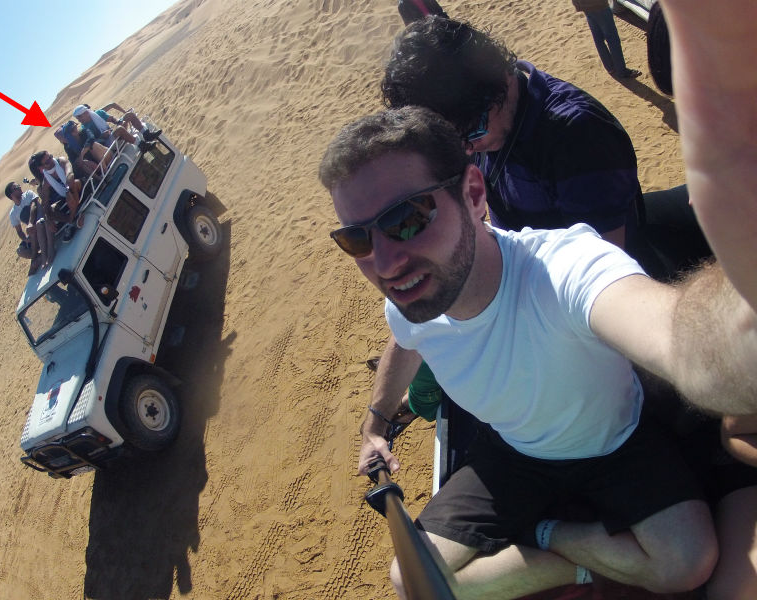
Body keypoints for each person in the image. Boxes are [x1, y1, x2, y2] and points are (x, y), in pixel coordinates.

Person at [319, 7, 757, 588]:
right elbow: (404, 337)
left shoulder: (566, 262)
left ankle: (549, 542)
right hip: (517, 456)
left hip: (615, 438)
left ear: (472, 188)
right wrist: (376, 421)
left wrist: (737, 331)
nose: (385, 262)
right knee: (412, 581)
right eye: (356, 238)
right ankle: (574, 553)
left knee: (688, 563)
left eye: (406, 220)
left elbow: (669, 329)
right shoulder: (410, 292)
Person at [380, 16, 708, 281]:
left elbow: (602, 274)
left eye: (473, 132)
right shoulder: (480, 123)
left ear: (500, 84)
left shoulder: (576, 137)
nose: (468, 150)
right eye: (455, 140)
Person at [571, 0, 641, 78]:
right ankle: (621, 71)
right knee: (612, 39)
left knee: (598, 38)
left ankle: (610, 67)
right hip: (599, 5)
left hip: (585, 6)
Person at [4, 182, 55, 272]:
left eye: (18, 185)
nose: (20, 186)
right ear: (12, 195)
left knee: (38, 225)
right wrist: (26, 239)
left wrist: (31, 223)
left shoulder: (28, 194)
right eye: (16, 187)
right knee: (20, 250)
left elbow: (34, 205)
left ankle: (45, 255)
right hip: (33, 233)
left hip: (43, 221)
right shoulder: (13, 213)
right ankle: (38, 257)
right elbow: (19, 231)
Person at [28, 150, 83, 231]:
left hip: (77, 185)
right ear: (41, 168)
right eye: (47, 162)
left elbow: (70, 174)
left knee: (72, 185)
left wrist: (67, 188)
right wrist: (47, 219)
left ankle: (72, 217)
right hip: (65, 196)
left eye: (50, 157)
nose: (51, 160)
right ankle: (70, 219)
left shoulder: (61, 161)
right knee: (50, 210)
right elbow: (45, 203)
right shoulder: (46, 182)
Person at [72, 104, 156, 153]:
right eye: (77, 118)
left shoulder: (98, 114)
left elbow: (112, 119)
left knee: (129, 115)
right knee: (119, 129)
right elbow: (93, 143)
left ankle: (146, 134)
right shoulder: (84, 129)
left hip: (113, 135)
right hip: (107, 145)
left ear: (86, 113)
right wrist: (102, 136)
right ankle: (142, 145)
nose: (79, 120)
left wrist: (119, 122)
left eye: (80, 117)